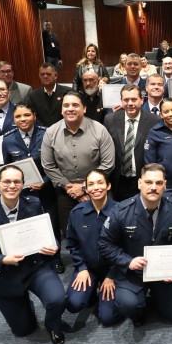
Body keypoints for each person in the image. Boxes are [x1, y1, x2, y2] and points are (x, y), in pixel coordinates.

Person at [0, 165, 67, 344]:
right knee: (23, 330)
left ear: (23, 185)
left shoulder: (34, 204)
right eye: (6, 181)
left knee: (57, 299)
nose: (11, 186)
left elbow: (47, 235)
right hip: (3, 272)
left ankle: (53, 324)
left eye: (16, 182)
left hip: (34, 266)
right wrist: (1, 259)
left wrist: (55, 246)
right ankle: (24, 305)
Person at [98, 163, 172, 326]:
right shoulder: (121, 211)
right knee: (128, 305)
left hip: (163, 273)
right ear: (140, 183)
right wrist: (128, 262)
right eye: (149, 182)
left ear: (165, 185)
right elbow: (105, 244)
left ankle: (156, 296)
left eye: (158, 183)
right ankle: (140, 308)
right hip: (132, 272)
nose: (153, 187)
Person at [41, 91, 116, 239]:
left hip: (97, 191)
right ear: (62, 109)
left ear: (84, 108)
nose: (70, 109)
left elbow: (108, 163)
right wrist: (70, 188)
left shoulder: (99, 130)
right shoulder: (51, 132)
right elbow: (48, 165)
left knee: (105, 234)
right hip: (65, 192)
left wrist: (83, 187)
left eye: (75, 105)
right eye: (66, 105)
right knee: (72, 235)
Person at [64, 169, 120, 323]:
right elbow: (72, 244)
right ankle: (92, 292)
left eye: (100, 183)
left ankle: (107, 294)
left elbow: (127, 248)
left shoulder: (121, 212)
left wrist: (112, 275)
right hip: (88, 268)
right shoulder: (77, 212)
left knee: (107, 318)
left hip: (113, 269)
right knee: (73, 304)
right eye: (91, 184)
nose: (96, 188)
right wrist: (81, 268)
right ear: (86, 189)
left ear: (108, 186)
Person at [2, 104, 58, 240]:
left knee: (51, 228)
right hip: (22, 194)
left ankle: (55, 260)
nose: (23, 119)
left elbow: (58, 164)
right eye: (18, 116)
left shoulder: (47, 134)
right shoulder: (8, 139)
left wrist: (44, 182)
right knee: (27, 232)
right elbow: (6, 168)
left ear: (34, 116)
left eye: (27, 115)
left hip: (47, 192)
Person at [104, 84, 161, 201]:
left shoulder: (154, 120)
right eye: (126, 100)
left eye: (134, 99)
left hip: (144, 179)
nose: (130, 103)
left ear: (141, 100)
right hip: (118, 181)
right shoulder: (110, 119)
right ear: (121, 101)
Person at [27, 62, 71, 128]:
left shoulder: (67, 92)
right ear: (39, 76)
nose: (45, 77)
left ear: (56, 75)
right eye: (42, 74)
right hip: (43, 132)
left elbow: (70, 113)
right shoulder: (33, 96)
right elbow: (34, 117)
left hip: (65, 130)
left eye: (48, 74)